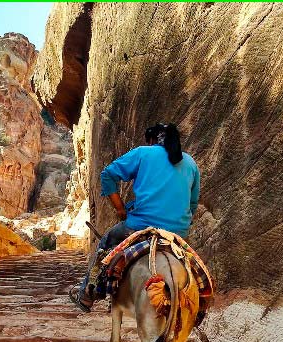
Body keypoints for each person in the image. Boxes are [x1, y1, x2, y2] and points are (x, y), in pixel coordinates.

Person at [70, 123, 200, 312]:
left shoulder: (143, 153)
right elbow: (193, 204)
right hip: (177, 231)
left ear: (152, 140)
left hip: (140, 225)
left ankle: (89, 293)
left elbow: (107, 175)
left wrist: (121, 210)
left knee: (107, 242)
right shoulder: (190, 163)